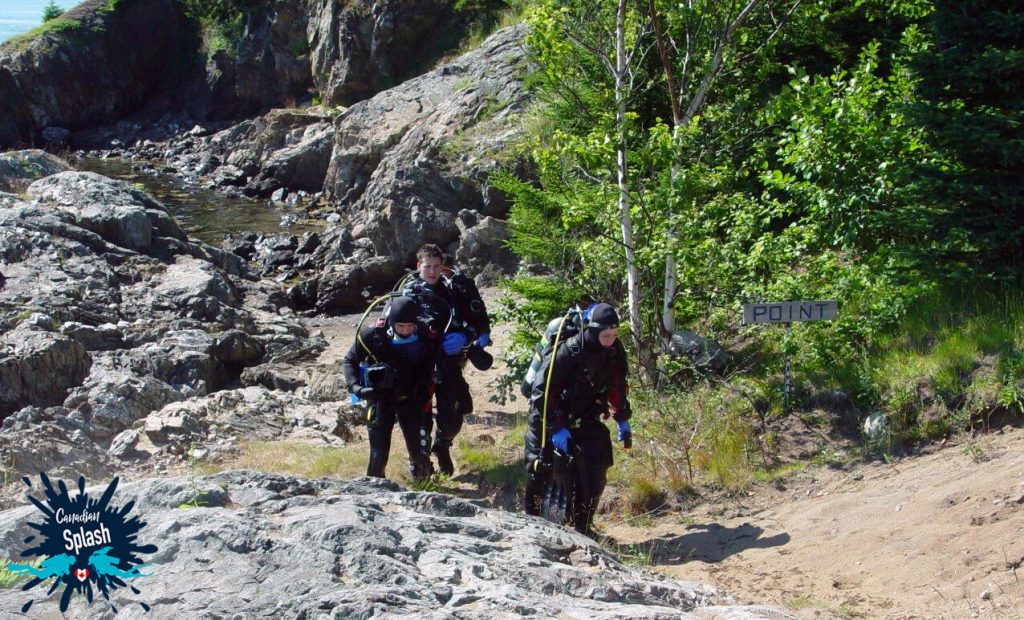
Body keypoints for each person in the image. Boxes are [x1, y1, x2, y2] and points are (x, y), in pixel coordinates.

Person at [523, 303, 632, 537]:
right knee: (543, 470)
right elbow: (541, 394)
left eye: (614, 335)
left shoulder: (614, 352)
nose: (610, 340)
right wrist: (556, 428)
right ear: (592, 330)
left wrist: (622, 418)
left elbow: (617, 387)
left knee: (596, 469)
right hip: (548, 418)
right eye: (605, 335)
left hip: (586, 416)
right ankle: (531, 528)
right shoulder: (569, 351)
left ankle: (583, 528)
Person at [401, 243, 491, 476]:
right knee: (420, 420)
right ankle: (421, 465)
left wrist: (464, 336)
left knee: (452, 416)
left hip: (449, 363)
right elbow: (391, 329)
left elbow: (479, 324)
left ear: (443, 266)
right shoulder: (407, 295)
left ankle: (442, 445)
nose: (432, 272)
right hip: (418, 366)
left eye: (436, 266)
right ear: (418, 266)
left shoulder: (455, 291)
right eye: (427, 266)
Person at [342, 295, 438, 480]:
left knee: (420, 455)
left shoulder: (427, 335)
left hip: (413, 399)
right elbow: (349, 360)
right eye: (400, 326)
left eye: (410, 326)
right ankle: (374, 493)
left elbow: (439, 363)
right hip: (381, 400)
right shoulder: (374, 335)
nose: (406, 331)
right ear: (391, 323)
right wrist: (356, 388)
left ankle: (424, 485)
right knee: (378, 458)